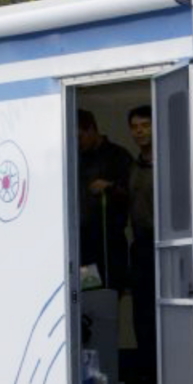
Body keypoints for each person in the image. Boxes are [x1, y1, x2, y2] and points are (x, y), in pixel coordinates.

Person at [78, 109, 132, 289]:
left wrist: (110, 187)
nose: (77, 144)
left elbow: (133, 194)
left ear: (92, 129)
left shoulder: (118, 156)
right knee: (89, 294)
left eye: (79, 138)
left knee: (111, 293)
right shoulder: (75, 159)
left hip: (111, 243)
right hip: (84, 244)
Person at [126, 104, 156, 384]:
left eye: (145, 125)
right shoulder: (134, 165)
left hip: (164, 246)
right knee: (141, 314)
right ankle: (147, 374)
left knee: (161, 313)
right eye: (135, 127)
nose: (140, 131)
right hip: (140, 247)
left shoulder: (168, 162)